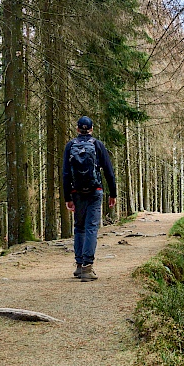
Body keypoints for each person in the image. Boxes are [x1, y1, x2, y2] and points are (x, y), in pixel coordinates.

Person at [63, 116, 117, 281]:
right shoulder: (97, 145)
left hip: (76, 192)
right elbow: (108, 171)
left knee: (79, 228)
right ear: (91, 129)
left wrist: (68, 197)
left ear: (78, 129)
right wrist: (112, 194)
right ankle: (88, 267)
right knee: (91, 228)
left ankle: (79, 266)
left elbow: (65, 174)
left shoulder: (70, 146)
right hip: (95, 191)